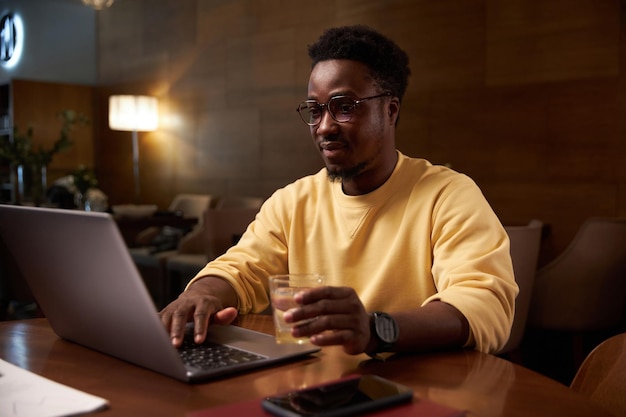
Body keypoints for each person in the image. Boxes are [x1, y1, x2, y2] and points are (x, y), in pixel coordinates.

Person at [160, 25, 517, 356]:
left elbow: (484, 304)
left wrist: (377, 329)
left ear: (390, 111)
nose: (325, 127)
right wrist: (201, 294)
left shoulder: (448, 194)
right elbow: (240, 270)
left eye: (344, 107)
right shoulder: (292, 202)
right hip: (313, 386)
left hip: (417, 385)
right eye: (315, 110)